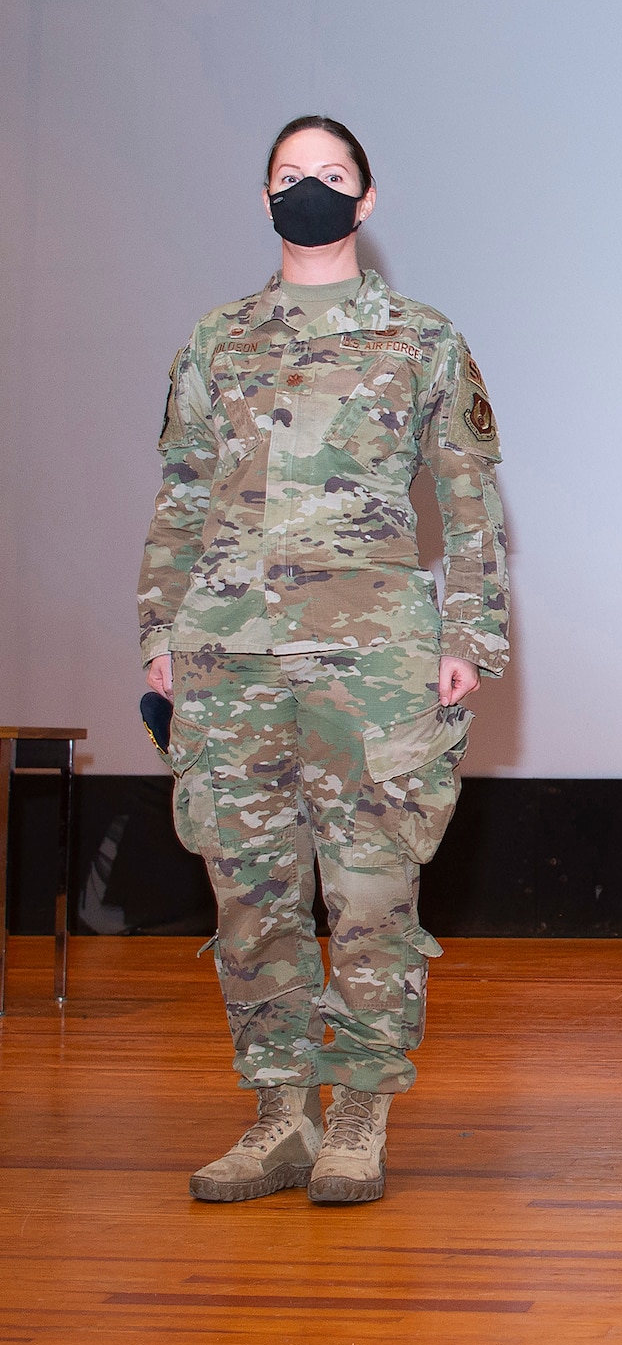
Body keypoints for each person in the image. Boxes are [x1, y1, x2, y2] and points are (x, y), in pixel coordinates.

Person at [139, 116, 509, 1204]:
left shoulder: (421, 338)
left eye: (330, 175)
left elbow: (471, 501)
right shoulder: (215, 340)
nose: (310, 189)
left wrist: (471, 634)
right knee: (248, 897)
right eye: (290, 176)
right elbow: (179, 499)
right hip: (228, 656)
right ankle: (277, 1117)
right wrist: (159, 633)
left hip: (375, 659)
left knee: (370, 891)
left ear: (367, 197)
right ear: (264, 198)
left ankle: (358, 1113)